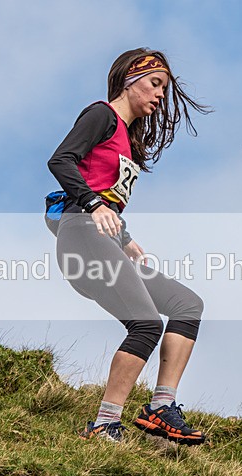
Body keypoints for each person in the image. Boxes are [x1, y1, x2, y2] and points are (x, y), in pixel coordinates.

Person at [46, 48, 210, 445]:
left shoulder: (129, 140)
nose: (159, 96)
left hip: (104, 240)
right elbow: (61, 160)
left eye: (164, 89)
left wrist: (126, 238)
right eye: (155, 84)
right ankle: (104, 422)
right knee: (146, 324)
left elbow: (108, 194)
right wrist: (94, 204)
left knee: (187, 306)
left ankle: (160, 407)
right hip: (80, 235)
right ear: (130, 79)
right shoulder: (101, 115)